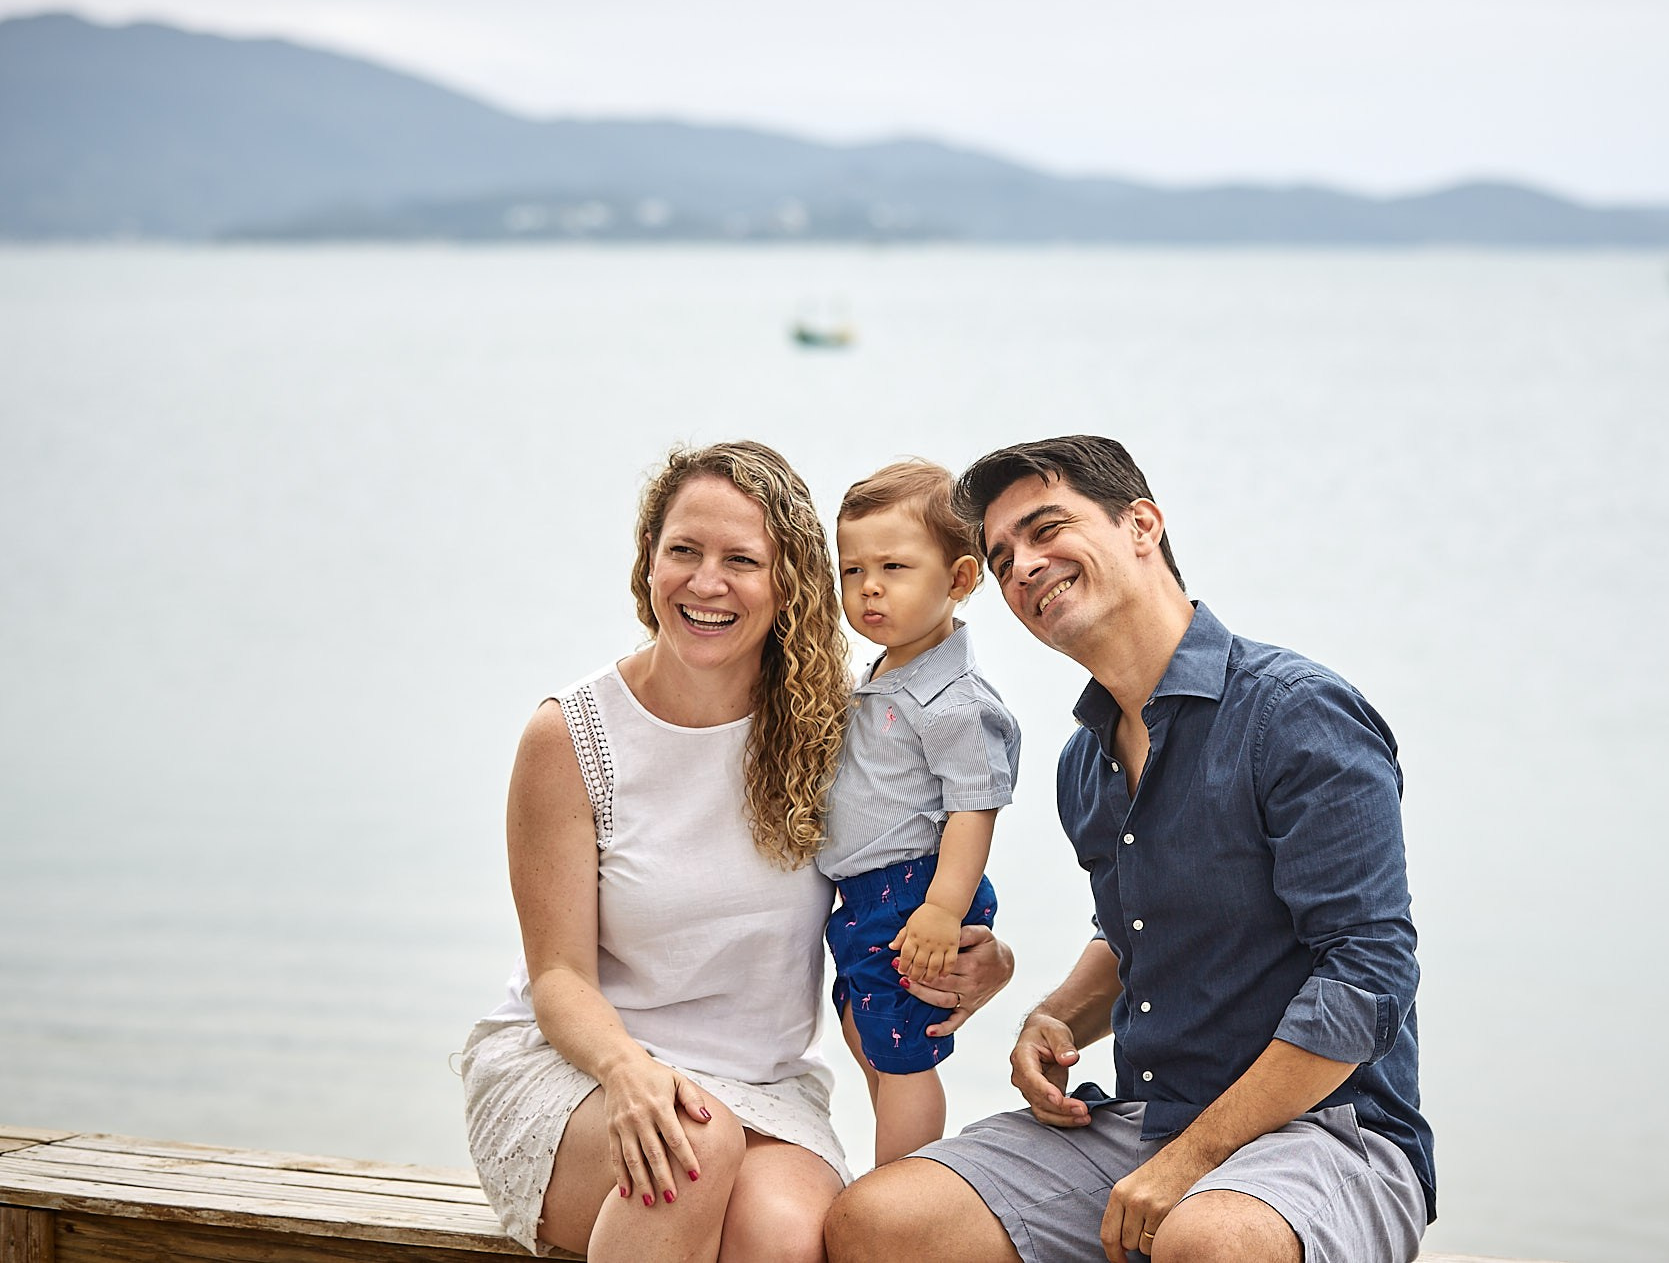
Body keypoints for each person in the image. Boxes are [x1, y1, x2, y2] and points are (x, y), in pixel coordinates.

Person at [824, 435, 1434, 1263]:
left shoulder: (1296, 716)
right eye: (1002, 557)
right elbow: (1133, 933)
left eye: (1047, 529)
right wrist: (1053, 1016)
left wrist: (1194, 1157)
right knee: (876, 1220)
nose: (1024, 566)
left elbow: (1366, 979)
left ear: (1142, 524)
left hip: (1331, 1133)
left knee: (1208, 1240)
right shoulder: (1086, 761)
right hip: (1147, 1118)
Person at [459, 441, 1011, 1263]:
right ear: (649, 560)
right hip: (582, 1071)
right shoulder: (571, 737)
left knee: (785, 1237)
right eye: (683, 550)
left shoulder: (837, 730)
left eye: (741, 560)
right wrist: (627, 1070)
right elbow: (559, 978)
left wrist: (982, 956)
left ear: (786, 580)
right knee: (693, 1147)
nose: (706, 582)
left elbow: (901, 884)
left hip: (765, 1086)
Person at [819, 461, 1020, 1166]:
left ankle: (898, 1191)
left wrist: (941, 908)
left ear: (960, 580)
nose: (868, 587)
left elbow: (973, 808)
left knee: (907, 1057)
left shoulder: (957, 702)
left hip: (916, 892)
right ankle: (898, 1172)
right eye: (851, 570)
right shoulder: (882, 673)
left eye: (894, 567)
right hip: (867, 895)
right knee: (866, 1030)